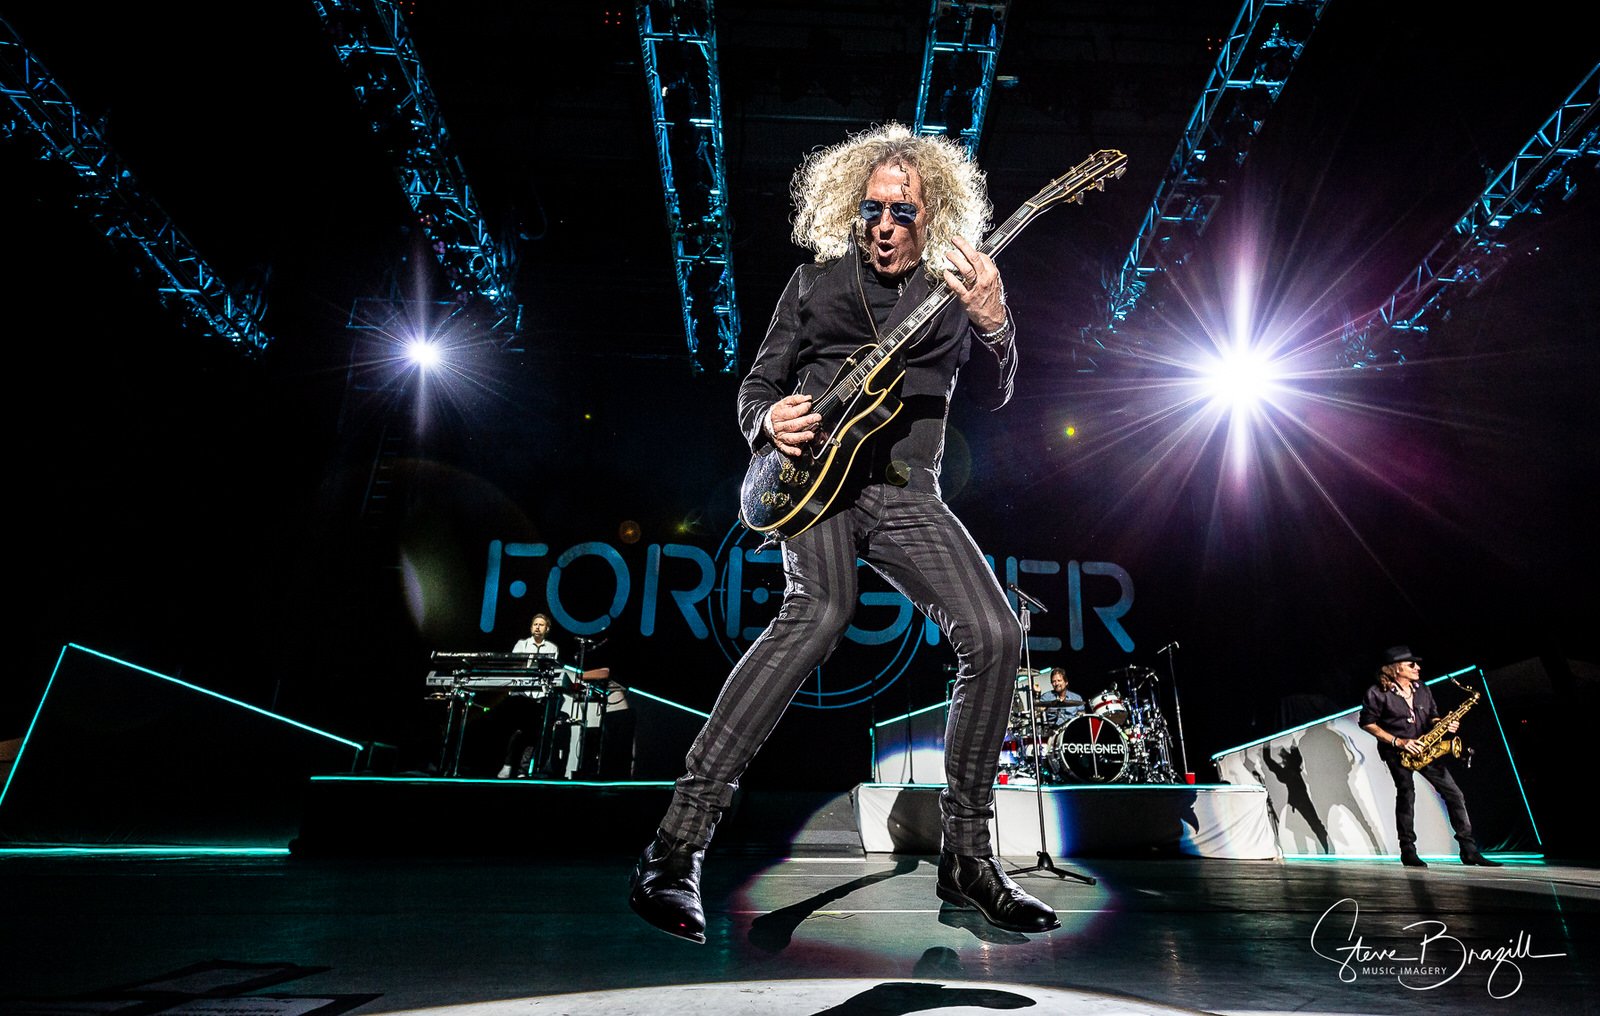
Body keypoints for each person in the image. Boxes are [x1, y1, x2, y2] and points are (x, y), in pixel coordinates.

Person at [628, 123, 1056, 943]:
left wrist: (997, 322)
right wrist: (768, 421)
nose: (885, 224)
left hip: (905, 491)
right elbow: (757, 385)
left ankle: (968, 858)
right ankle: (675, 848)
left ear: (932, 216)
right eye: (872, 209)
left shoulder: (954, 292)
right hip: (815, 483)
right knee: (820, 612)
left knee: (996, 634)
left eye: (903, 211)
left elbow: (998, 394)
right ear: (853, 211)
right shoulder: (814, 282)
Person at [1357, 646, 1501, 868]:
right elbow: (1367, 723)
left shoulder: (1422, 688)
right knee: (1407, 795)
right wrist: (1398, 741)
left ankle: (1469, 850)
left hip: (1427, 747)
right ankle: (1408, 851)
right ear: (1396, 668)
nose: (1417, 667)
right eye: (1411, 664)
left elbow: (1432, 716)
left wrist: (1443, 724)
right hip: (1398, 752)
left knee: (1454, 794)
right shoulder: (1376, 693)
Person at [497, 614, 561, 779]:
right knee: (516, 730)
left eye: (541, 625)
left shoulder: (552, 648)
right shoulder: (522, 644)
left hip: (538, 695)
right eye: (535, 624)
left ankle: (523, 770)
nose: (537, 627)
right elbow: (516, 666)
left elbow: (550, 671)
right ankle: (507, 764)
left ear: (547, 629)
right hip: (521, 692)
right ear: (531, 627)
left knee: (532, 734)